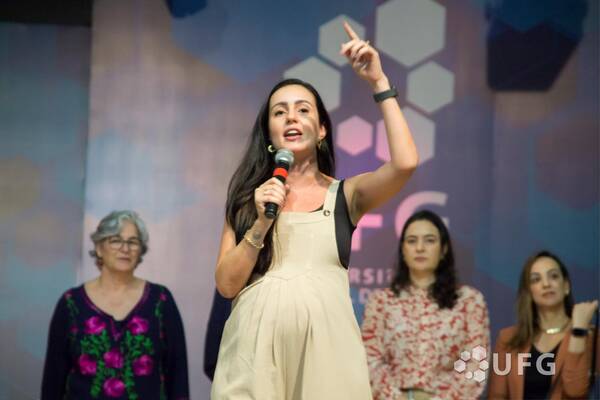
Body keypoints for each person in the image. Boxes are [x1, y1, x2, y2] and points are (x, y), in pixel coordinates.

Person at [210, 22, 418, 400]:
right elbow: (226, 285)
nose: (291, 117)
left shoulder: (346, 196)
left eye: (303, 110)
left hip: (327, 358)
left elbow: (404, 164)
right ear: (269, 134)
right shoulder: (246, 199)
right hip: (253, 359)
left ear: (321, 130)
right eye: (280, 112)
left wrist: (379, 82)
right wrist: (260, 225)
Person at [41, 210, 189, 400]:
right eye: (116, 240)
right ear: (99, 248)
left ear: (141, 250)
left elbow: (177, 375)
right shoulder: (71, 304)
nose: (125, 248)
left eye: (133, 242)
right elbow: (53, 379)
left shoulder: (161, 300)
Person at [361, 209, 490, 400]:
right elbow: (369, 360)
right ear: (403, 250)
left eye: (429, 240)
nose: (420, 248)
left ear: (443, 249)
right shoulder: (381, 301)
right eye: (412, 241)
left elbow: (475, 364)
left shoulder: (469, 301)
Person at [488, 250, 598, 399]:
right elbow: (497, 396)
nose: (546, 284)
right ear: (529, 292)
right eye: (536, 279)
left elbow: (575, 391)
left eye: (553, 276)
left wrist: (578, 331)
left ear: (566, 285)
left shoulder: (589, 336)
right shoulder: (507, 338)